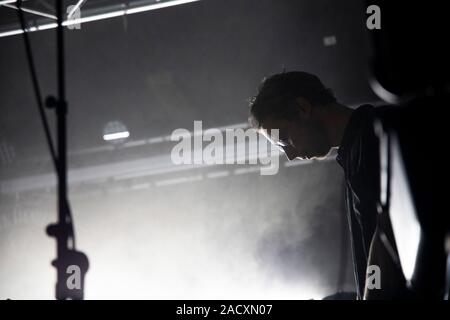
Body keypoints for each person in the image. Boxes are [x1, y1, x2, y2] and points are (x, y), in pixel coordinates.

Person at [248, 71, 406, 299]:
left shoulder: (375, 137)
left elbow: (384, 236)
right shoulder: (357, 149)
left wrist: (372, 293)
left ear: (302, 108)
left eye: (284, 140)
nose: (290, 156)